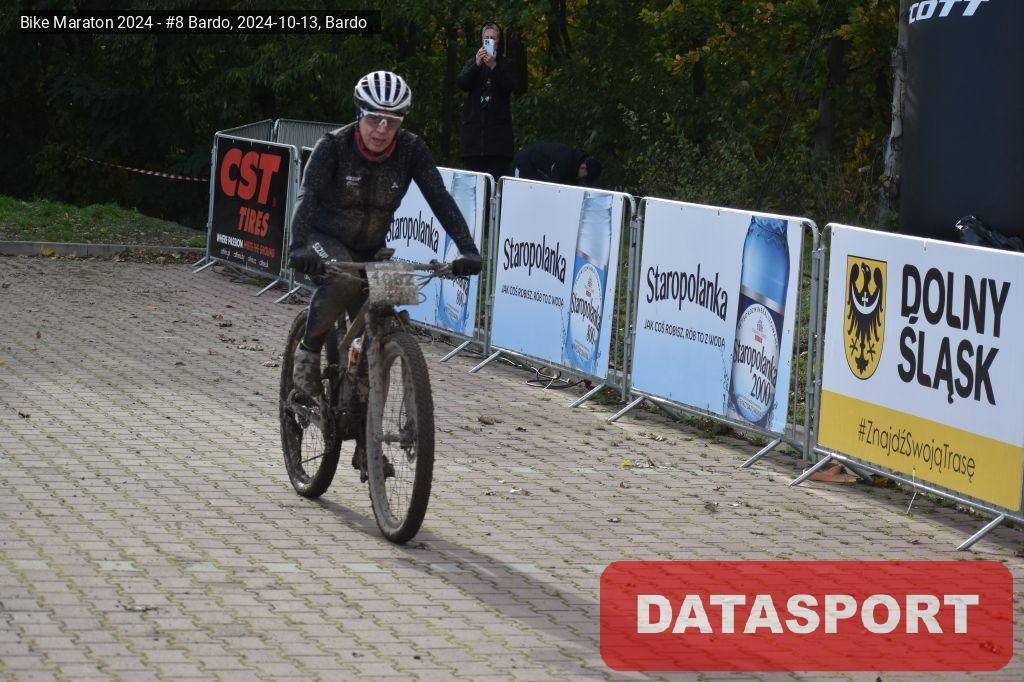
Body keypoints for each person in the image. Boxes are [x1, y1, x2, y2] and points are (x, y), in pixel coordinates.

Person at [287, 70, 483, 403]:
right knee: (343, 283)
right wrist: (297, 247)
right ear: (359, 115)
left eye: (391, 122)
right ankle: (306, 355)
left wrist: (467, 249)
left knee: (385, 308)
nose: (381, 129)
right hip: (323, 237)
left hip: (371, 247)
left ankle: (366, 416)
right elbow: (307, 196)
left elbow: (439, 198)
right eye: (374, 119)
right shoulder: (333, 146)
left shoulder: (411, 149)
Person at [457, 22, 518, 181]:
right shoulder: (472, 63)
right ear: (482, 41)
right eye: (487, 38)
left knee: (495, 186)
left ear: (499, 41)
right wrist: (477, 65)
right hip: (473, 143)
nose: (490, 41)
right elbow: (462, 84)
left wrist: (494, 66)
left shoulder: (507, 64)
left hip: (499, 144)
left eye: (493, 38)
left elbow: (510, 86)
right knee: (475, 186)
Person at [512, 142, 602, 186]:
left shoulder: (574, 165)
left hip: (536, 172)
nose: (581, 179)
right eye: (583, 177)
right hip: (523, 165)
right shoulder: (564, 162)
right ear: (583, 167)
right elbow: (552, 187)